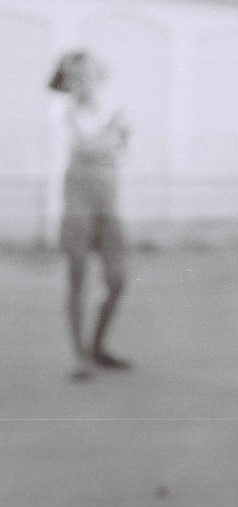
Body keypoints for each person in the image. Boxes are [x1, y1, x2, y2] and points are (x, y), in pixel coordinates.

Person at [49, 50, 132, 380]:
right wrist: (109, 136)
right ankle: (79, 357)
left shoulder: (116, 110)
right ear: (67, 82)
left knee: (117, 280)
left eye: (88, 74)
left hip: (108, 205)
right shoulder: (64, 112)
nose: (82, 82)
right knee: (78, 279)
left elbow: (119, 147)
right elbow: (90, 145)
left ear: (100, 76)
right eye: (74, 77)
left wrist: (111, 135)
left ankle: (97, 346)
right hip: (77, 204)